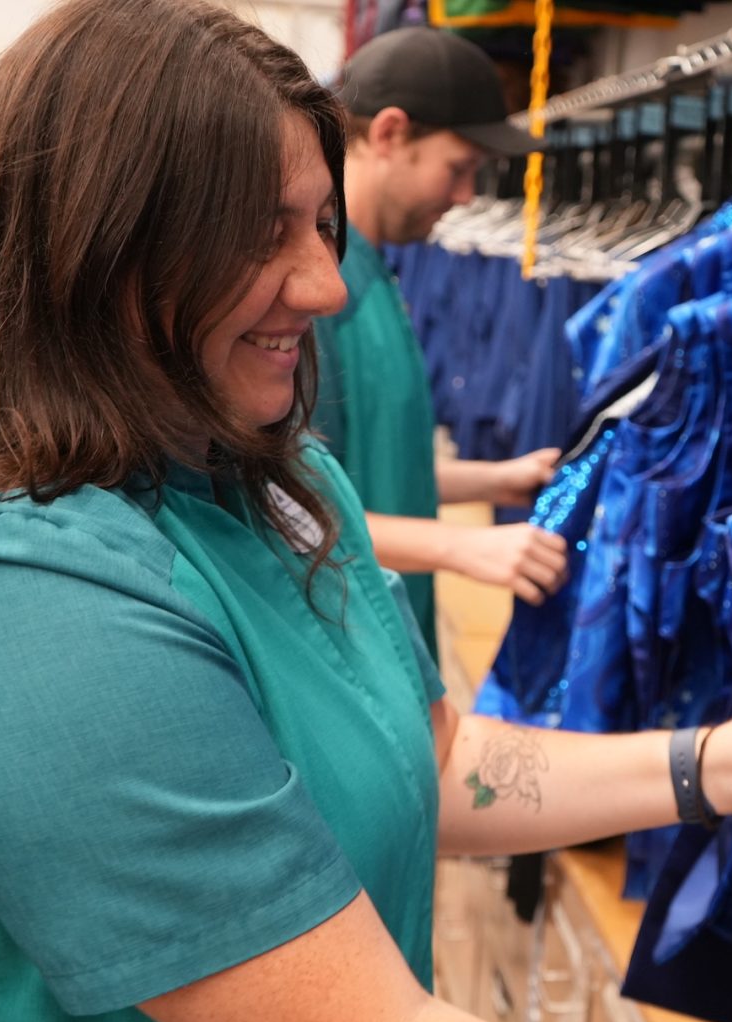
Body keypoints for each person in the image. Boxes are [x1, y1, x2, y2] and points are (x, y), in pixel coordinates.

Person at [0, 2, 732, 1022]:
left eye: (321, 226)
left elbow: (434, 763)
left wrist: (710, 764)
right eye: (265, 237)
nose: (324, 287)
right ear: (102, 249)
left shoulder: (282, 484)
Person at [318, 26, 568, 657]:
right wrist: (464, 546)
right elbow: (286, 513)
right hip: (347, 655)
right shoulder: (315, 296)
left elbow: (365, 466)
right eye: (459, 170)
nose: (465, 198)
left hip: (392, 648)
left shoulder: (374, 269)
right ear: (391, 133)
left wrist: (495, 480)